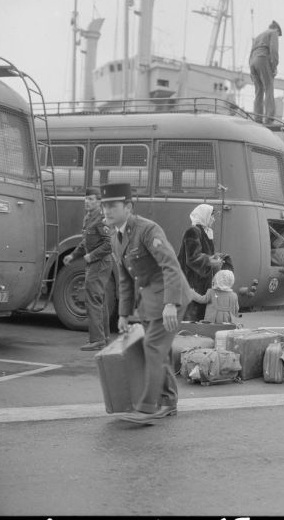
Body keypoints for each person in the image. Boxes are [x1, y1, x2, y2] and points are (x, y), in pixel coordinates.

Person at [101, 182, 192, 424]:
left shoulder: (147, 230)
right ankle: (168, 402)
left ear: (128, 207)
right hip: (151, 301)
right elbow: (125, 278)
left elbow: (170, 265)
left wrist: (171, 303)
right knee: (158, 351)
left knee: (152, 348)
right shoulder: (115, 238)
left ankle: (148, 408)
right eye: (104, 206)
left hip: (170, 298)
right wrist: (122, 313)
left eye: (113, 206)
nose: (107, 211)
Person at [63, 187, 112, 351]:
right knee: (100, 300)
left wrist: (91, 256)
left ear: (99, 202)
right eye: (86, 199)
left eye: (91, 199)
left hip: (100, 263)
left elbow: (109, 244)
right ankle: (103, 337)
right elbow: (85, 242)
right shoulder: (88, 218)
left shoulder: (101, 219)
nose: (87, 202)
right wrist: (73, 255)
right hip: (95, 263)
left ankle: (97, 340)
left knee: (92, 299)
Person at [178, 204, 233, 321]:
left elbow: (205, 254)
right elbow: (192, 258)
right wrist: (211, 261)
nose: (214, 219)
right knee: (191, 316)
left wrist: (215, 257)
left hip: (202, 280)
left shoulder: (206, 232)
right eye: (212, 216)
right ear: (205, 215)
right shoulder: (193, 231)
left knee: (200, 315)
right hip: (192, 281)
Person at [249, 20, 282, 124]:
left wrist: (251, 71)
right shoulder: (273, 33)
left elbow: (251, 53)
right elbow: (274, 51)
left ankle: (257, 118)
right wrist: (274, 66)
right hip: (262, 59)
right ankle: (269, 118)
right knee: (269, 87)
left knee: (258, 90)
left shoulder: (258, 37)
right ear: (276, 29)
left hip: (252, 62)